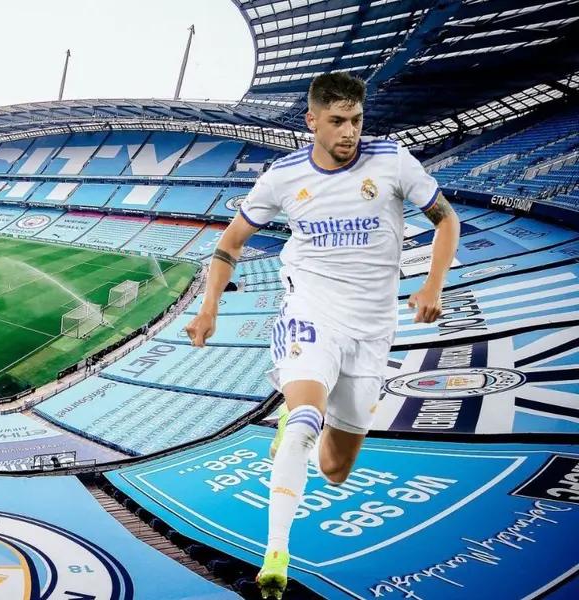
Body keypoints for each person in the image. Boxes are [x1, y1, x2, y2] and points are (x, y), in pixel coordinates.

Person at [183, 72, 460, 599]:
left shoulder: (394, 161)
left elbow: (446, 220)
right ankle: (276, 554)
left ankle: (302, 416)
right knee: (305, 421)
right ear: (312, 121)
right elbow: (231, 242)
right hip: (310, 310)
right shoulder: (283, 176)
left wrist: (432, 285)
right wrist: (208, 308)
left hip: (374, 327)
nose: (349, 132)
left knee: (334, 469)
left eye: (356, 120)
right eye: (336, 122)